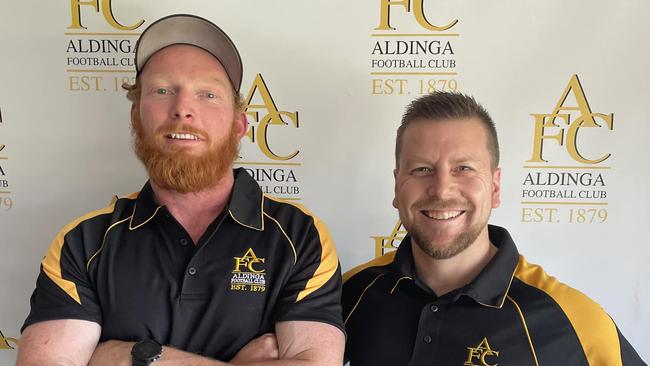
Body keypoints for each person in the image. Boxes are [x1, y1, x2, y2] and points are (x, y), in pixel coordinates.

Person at [17, 14, 344, 366]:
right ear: (136, 117)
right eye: (162, 91)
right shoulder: (83, 243)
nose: (183, 110)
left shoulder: (299, 237)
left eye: (207, 94)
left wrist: (136, 356)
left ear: (239, 124)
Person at [342, 92, 646, 365]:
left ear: (495, 186)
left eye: (464, 168)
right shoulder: (350, 293)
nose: (442, 189)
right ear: (397, 186)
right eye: (422, 169)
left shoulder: (573, 320)